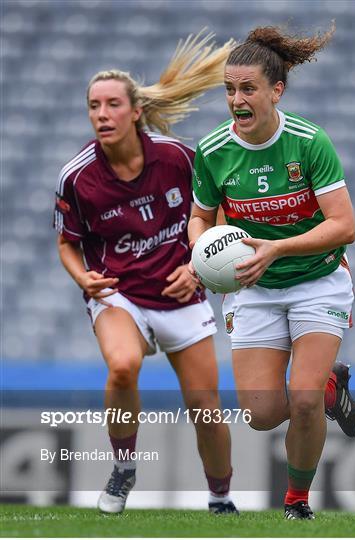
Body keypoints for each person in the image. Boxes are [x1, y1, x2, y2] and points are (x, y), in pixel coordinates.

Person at [53, 30, 239, 515]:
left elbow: (215, 217)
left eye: (112, 104)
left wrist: (197, 270)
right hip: (119, 294)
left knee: (205, 406)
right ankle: (124, 469)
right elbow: (66, 243)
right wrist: (82, 278)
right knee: (121, 366)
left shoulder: (177, 157)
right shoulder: (77, 177)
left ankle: (220, 498)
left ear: (135, 111)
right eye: (94, 106)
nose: (101, 114)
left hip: (180, 290)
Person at [188, 24, 355, 520]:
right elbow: (200, 217)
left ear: (275, 90)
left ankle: (297, 502)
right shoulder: (212, 151)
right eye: (229, 89)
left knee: (303, 401)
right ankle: (331, 384)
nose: (235, 99)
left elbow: (344, 225)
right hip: (254, 287)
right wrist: (198, 254)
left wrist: (277, 248)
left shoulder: (310, 142)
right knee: (263, 414)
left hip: (317, 279)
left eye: (247, 89)